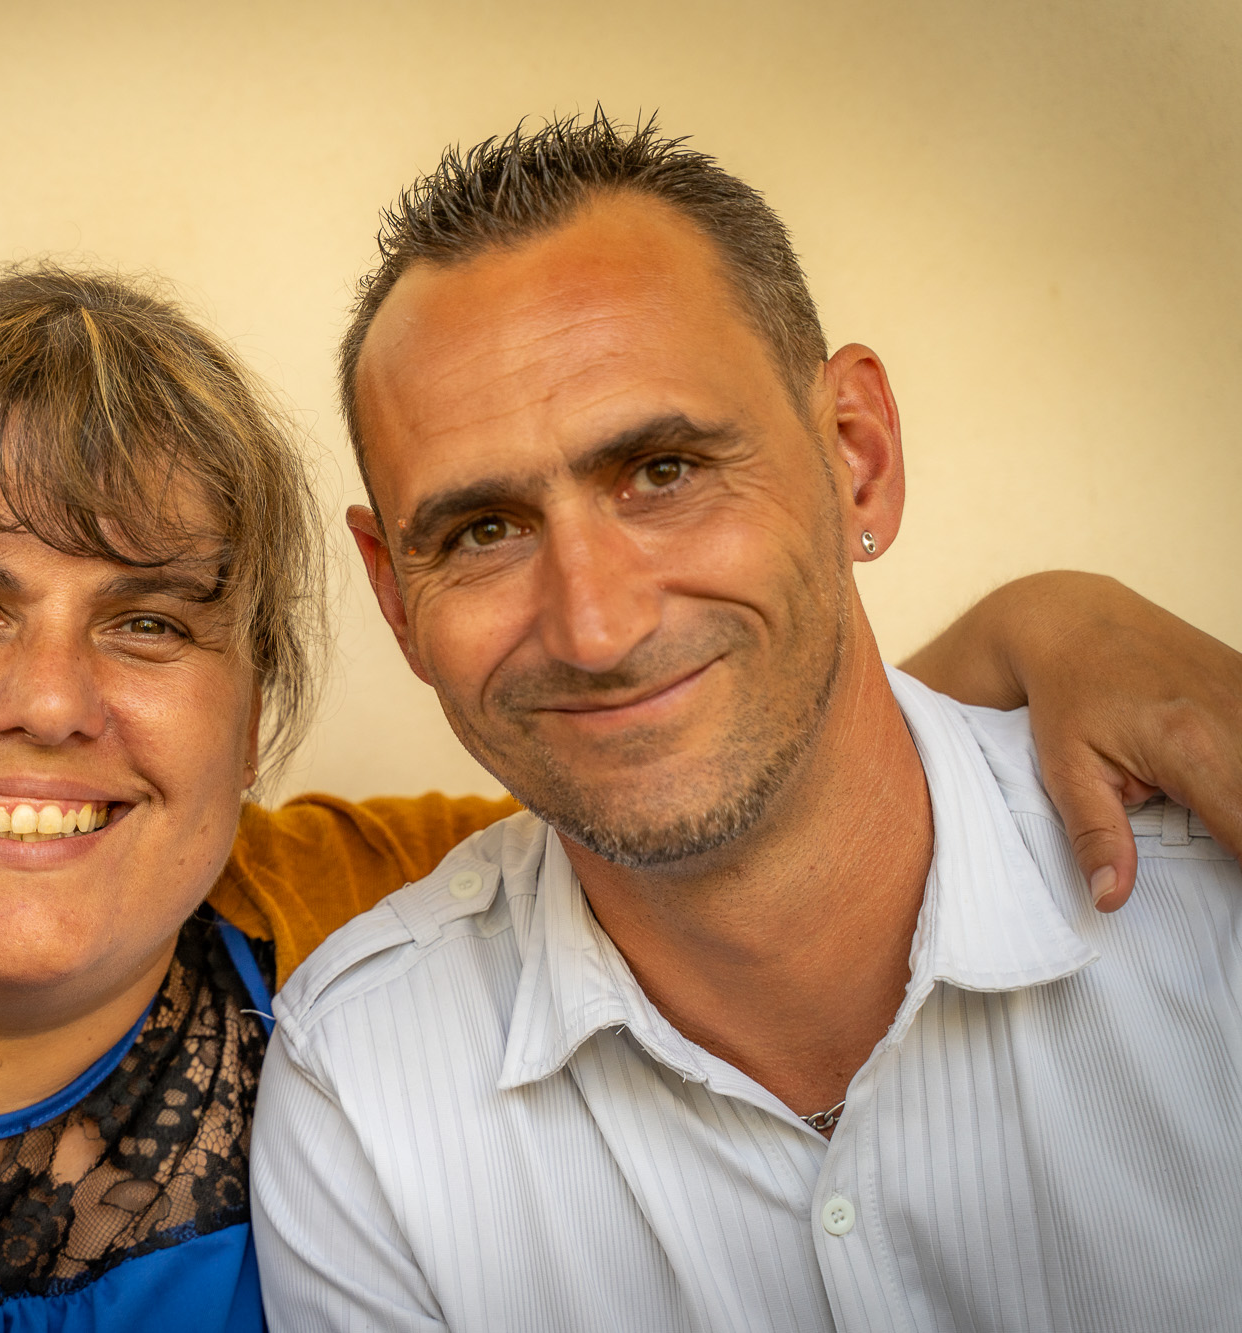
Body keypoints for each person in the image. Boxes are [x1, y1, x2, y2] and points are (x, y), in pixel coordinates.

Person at [0, 267, 1236, 1333]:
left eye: (150, 621)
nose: (49, 702)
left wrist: (1045, 627)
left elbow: (712, 754)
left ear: (250, 711)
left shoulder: (331, 915)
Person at [252, 113, 1242, 1330]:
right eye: (483, 531)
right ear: (396, 598)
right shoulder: (360, 1092)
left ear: (855, 456)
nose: (595, 628)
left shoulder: (1212, 902)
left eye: (662, 470)